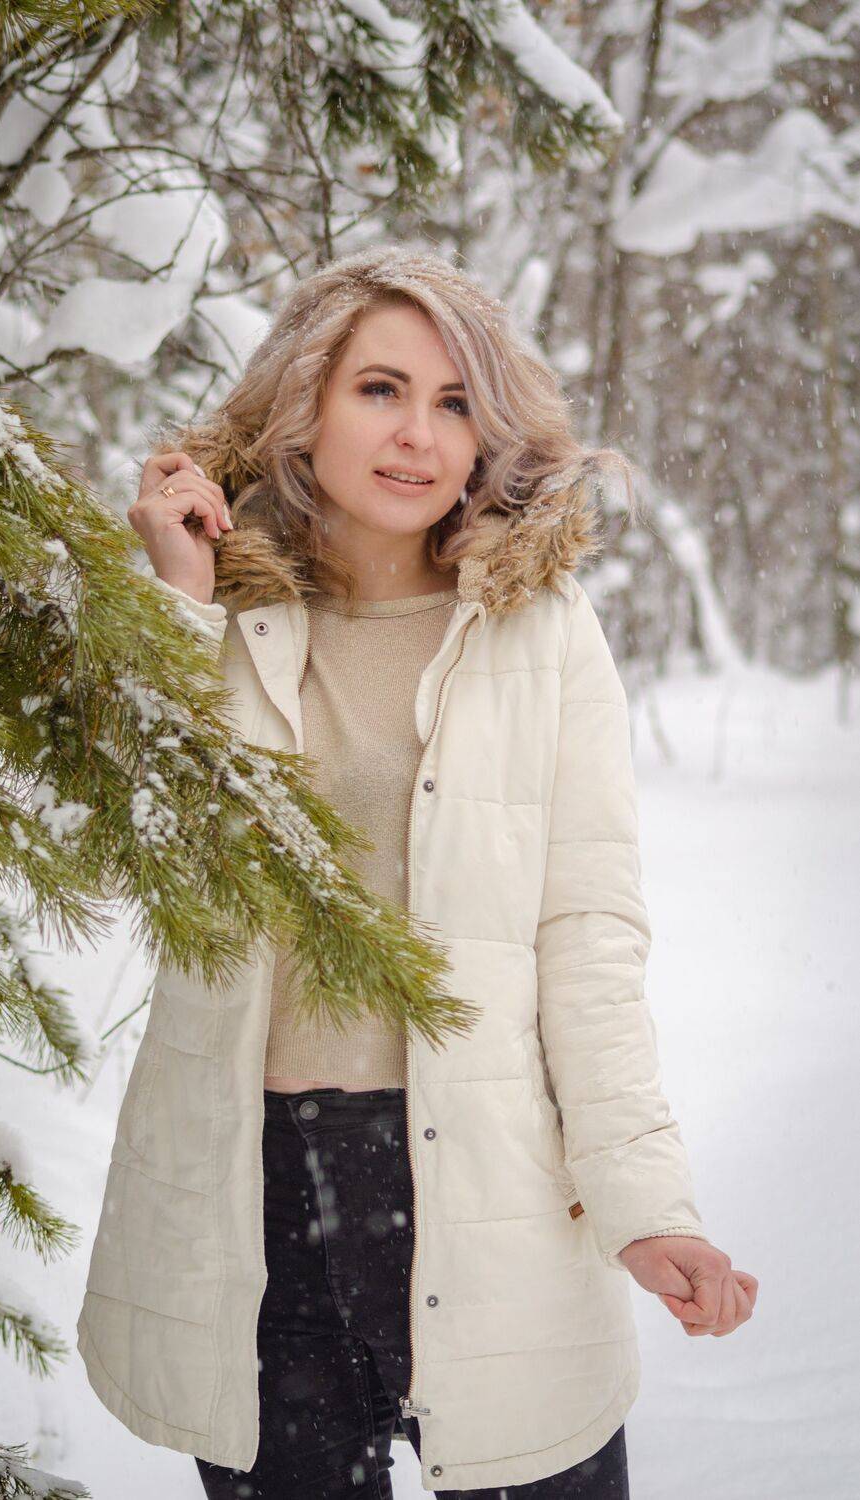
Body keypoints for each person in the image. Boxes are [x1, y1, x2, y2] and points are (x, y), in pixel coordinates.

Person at [77, 246, 758, 1497]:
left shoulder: (541, 631)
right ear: (305, 404)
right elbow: (131, 856)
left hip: (487, 1185)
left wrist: (647, 1204)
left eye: (455, 402)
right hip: (254, 1198)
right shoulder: (214, 615)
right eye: (381, 389)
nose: (419, 436)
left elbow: (588, 938)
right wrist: (175, 604)